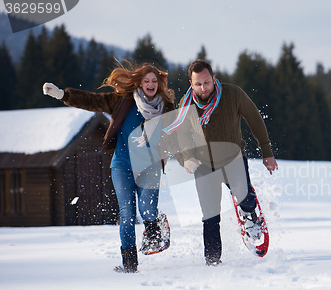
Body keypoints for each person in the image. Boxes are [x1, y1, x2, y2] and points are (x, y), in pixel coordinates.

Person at [43, 62, 176, 273]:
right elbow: (93, 101)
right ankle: (130, 265)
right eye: (146, 81)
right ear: (139, 83)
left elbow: (181, 132)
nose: (150, 84)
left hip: (150, 167)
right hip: (122, 165)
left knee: (147, 210)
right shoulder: (122, 100)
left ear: (159, 84)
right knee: (128, 214)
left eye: (154, 81)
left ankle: (154, 224)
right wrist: (63, 95)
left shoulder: (166, 107)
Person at [166, 59, 278, 265]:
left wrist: (267, 151)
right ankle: (212, 262)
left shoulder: (233, 94)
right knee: (210, 216)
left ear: (214, 78)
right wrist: (185, 158)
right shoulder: (186, 104)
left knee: (244, 196)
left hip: (233, 158)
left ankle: (250, 216)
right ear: (191, 84)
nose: (203, 87)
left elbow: (254, 119)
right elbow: (178, 134)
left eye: (207, 82)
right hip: (203, 165)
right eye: (198, 84)